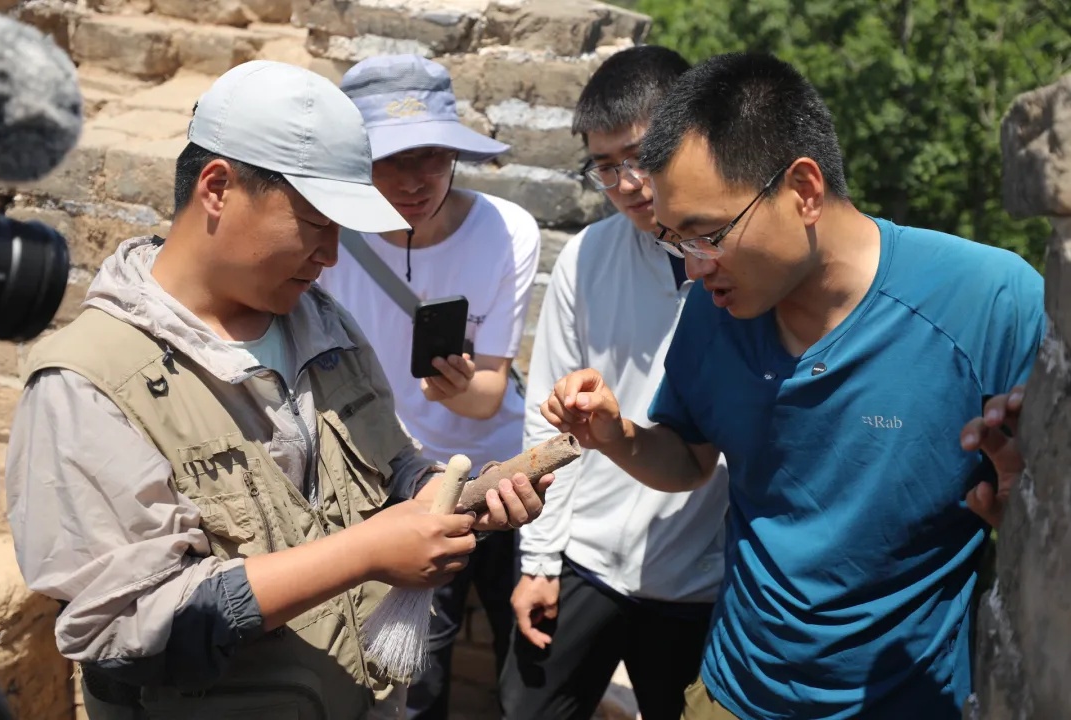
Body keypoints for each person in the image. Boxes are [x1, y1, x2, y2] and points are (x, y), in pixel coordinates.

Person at [4, 60, 550, 720]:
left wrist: (446, 498)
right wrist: (368, 553)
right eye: (316, 223)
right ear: (216, 188)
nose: (332, 254)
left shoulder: (323, 324)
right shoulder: (89, 384)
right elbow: (124, 628)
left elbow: (390, 468)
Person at [539, 51, 1045, 720]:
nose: (694, 267)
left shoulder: (989, 303)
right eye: (676, 241)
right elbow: (689, 457)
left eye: (707, 234)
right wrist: (615, 435)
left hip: (907, 699)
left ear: (804, 189)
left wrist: (1024, 508)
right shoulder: (714, 313)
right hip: (731, 692)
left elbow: (1042, 494)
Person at [498, 45, 728, 720]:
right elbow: (551, 415)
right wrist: (539, 558)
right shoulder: (588, 257)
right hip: (587, 559)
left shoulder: (740, 263)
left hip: (702, 578)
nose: (627, 183)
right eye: (605, 167)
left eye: (640, 156)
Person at [317, 55, 541, 719]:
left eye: (434, 155)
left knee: (525, 666)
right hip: (398, 487)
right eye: (392, 158)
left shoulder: (507, 231)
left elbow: (489, 395)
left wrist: (454, 388)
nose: (416, 180)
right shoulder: (328, 237)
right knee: (416, 681)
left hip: (498, 472)